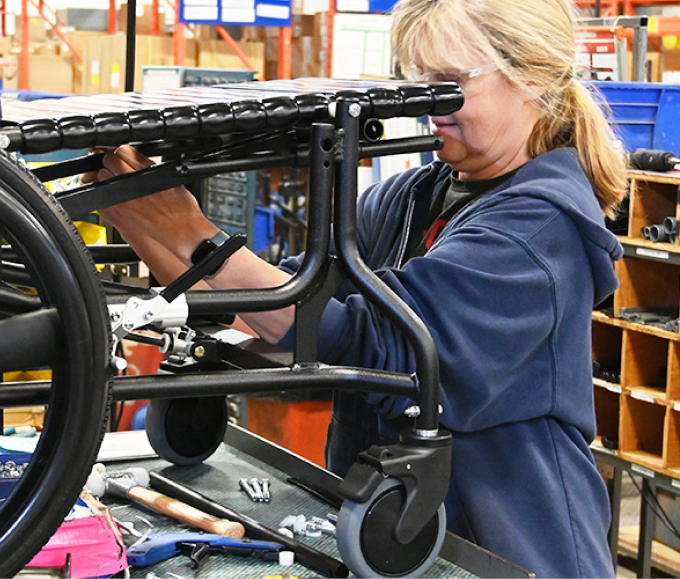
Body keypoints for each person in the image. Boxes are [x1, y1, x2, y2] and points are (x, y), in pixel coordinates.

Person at [86, 0, 626, 576]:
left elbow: (383, 352)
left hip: (510, 544)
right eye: (420, 83)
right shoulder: (411, 198)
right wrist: (140, 219)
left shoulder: (541, 229)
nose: (429, 106)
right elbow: (273, 315)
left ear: (532, 80)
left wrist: (196, 235)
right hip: (394, 531)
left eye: (449, 84)